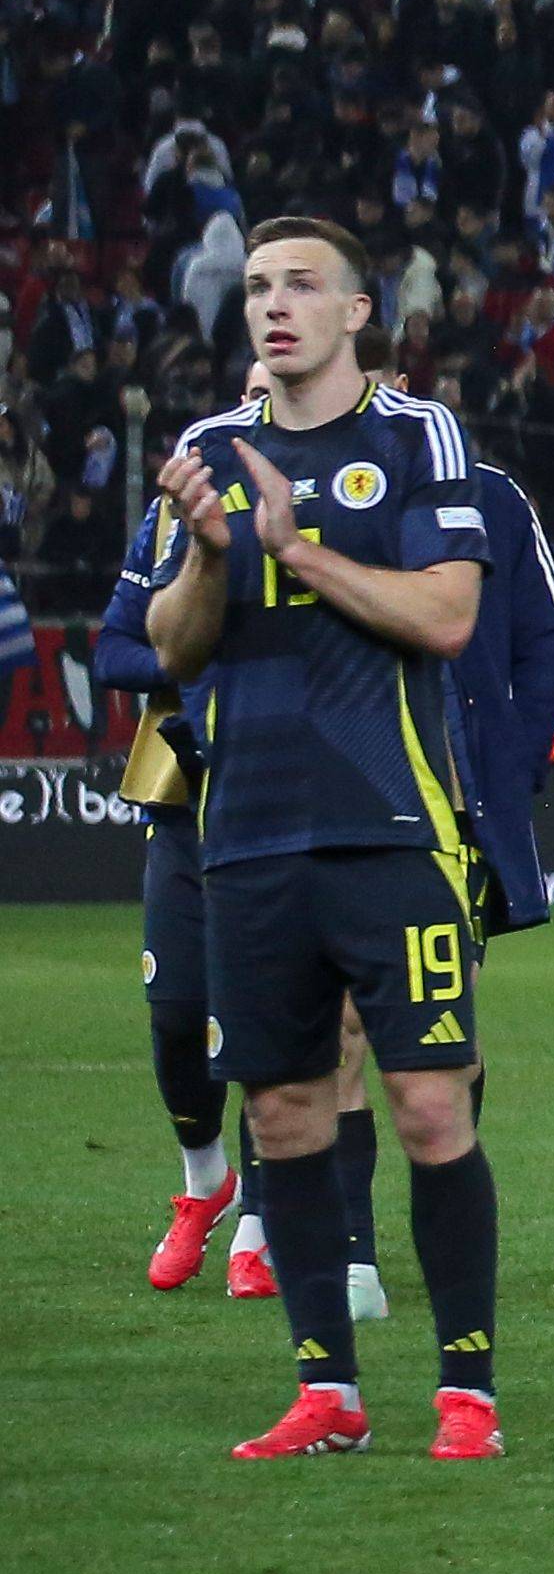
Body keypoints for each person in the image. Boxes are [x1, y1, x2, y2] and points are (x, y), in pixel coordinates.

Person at [146, 218, 508, 1464]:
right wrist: (210, 554)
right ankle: (329, 1392)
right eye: (256, 288)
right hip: (243, 839)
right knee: (288, 1119)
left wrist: (295, 544)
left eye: (303, 285)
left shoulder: (418, 438)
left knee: (423, 1105)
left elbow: (450, 614)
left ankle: (468, 1395)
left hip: (390, 827)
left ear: (361, 311)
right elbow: (171, 646)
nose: (274, 306)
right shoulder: (205, 453)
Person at [96, 484, 238, 1289]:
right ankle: (206, 1183)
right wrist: (179, 661)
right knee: (178, 1008)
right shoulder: (169, 523)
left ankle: (264, 1219)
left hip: (278, 779)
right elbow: (112, 648)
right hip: (183, 792)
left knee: (272, 1008)